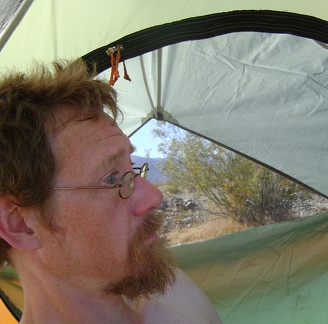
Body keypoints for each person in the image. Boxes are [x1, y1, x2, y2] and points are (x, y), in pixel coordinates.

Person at [0, 59, 222, 323]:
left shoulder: (180, 298)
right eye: (111, 178)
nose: (154, 197)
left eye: (133, 168)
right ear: (20, 224)